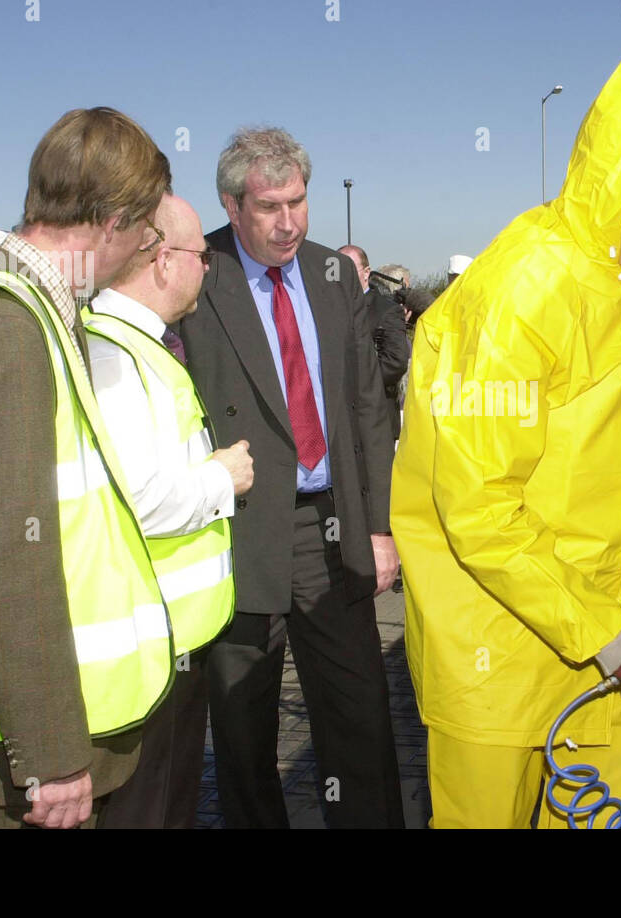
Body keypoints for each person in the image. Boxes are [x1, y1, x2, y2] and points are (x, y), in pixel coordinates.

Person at [391, 54, 621, 828]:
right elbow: (477, 506)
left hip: (612, 632)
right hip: (499, 643)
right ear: (620, 182)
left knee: (597, 816)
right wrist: (611, 635)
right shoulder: (521, 290)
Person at [0, 107, 174, 829]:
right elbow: (5, 560)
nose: (148, 250)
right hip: (18, 762)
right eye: (146, 232)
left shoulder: (34, 312)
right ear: (110, 220)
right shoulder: (8, 330)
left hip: (22, 742)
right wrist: (53, 756)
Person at [179, 126, 403, 828]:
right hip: (237, 532)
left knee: (360, 716)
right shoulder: (196, 274)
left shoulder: (332, 275)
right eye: (270, 206)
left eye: (298, 202)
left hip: (332, 532)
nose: (288, 222)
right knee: (244, 736)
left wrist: (378, 527)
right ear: (232, 203)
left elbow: (367, 406)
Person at [83, 193, 252, 828]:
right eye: (201, 257)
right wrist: (221, 477)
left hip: (171, 642)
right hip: (148, 652)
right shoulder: (117, 358)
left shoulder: (141, 345)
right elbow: (141, 501)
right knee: (147, 812)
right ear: (162, 262)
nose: (208, 269)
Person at [340, 244, 410, 442]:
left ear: (366, 273)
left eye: (349, 268)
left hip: (375, 421)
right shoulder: (325, 308)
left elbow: (395, 362)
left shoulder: (386, 310)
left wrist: (354, 382)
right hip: (340, 424)